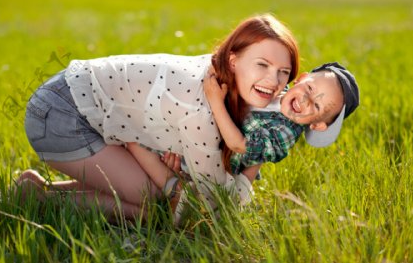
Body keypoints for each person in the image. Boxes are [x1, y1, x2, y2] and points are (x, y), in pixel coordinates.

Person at [20, 13, 300, 221]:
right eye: (262, 64)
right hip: (61, 116)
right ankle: (43, 201)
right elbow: (209, 205)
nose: (274, 80)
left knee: (154, 187)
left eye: (283, 72)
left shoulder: (221, 76)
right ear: (234, 60)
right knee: (152, 204)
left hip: (84, 107)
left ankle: (35, 188)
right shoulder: (203, 106)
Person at [132, 62, 359, 201]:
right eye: (309, 88)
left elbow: (239, 145)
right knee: (140, 133)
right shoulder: (274, 87)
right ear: (302, 78)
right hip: (195, 133)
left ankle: (173, 187)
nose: (305, 100)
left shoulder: (286, 133)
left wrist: (215, 99)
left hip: (214, 163)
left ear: (318, 125)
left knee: (133, 141)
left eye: (316, 107)